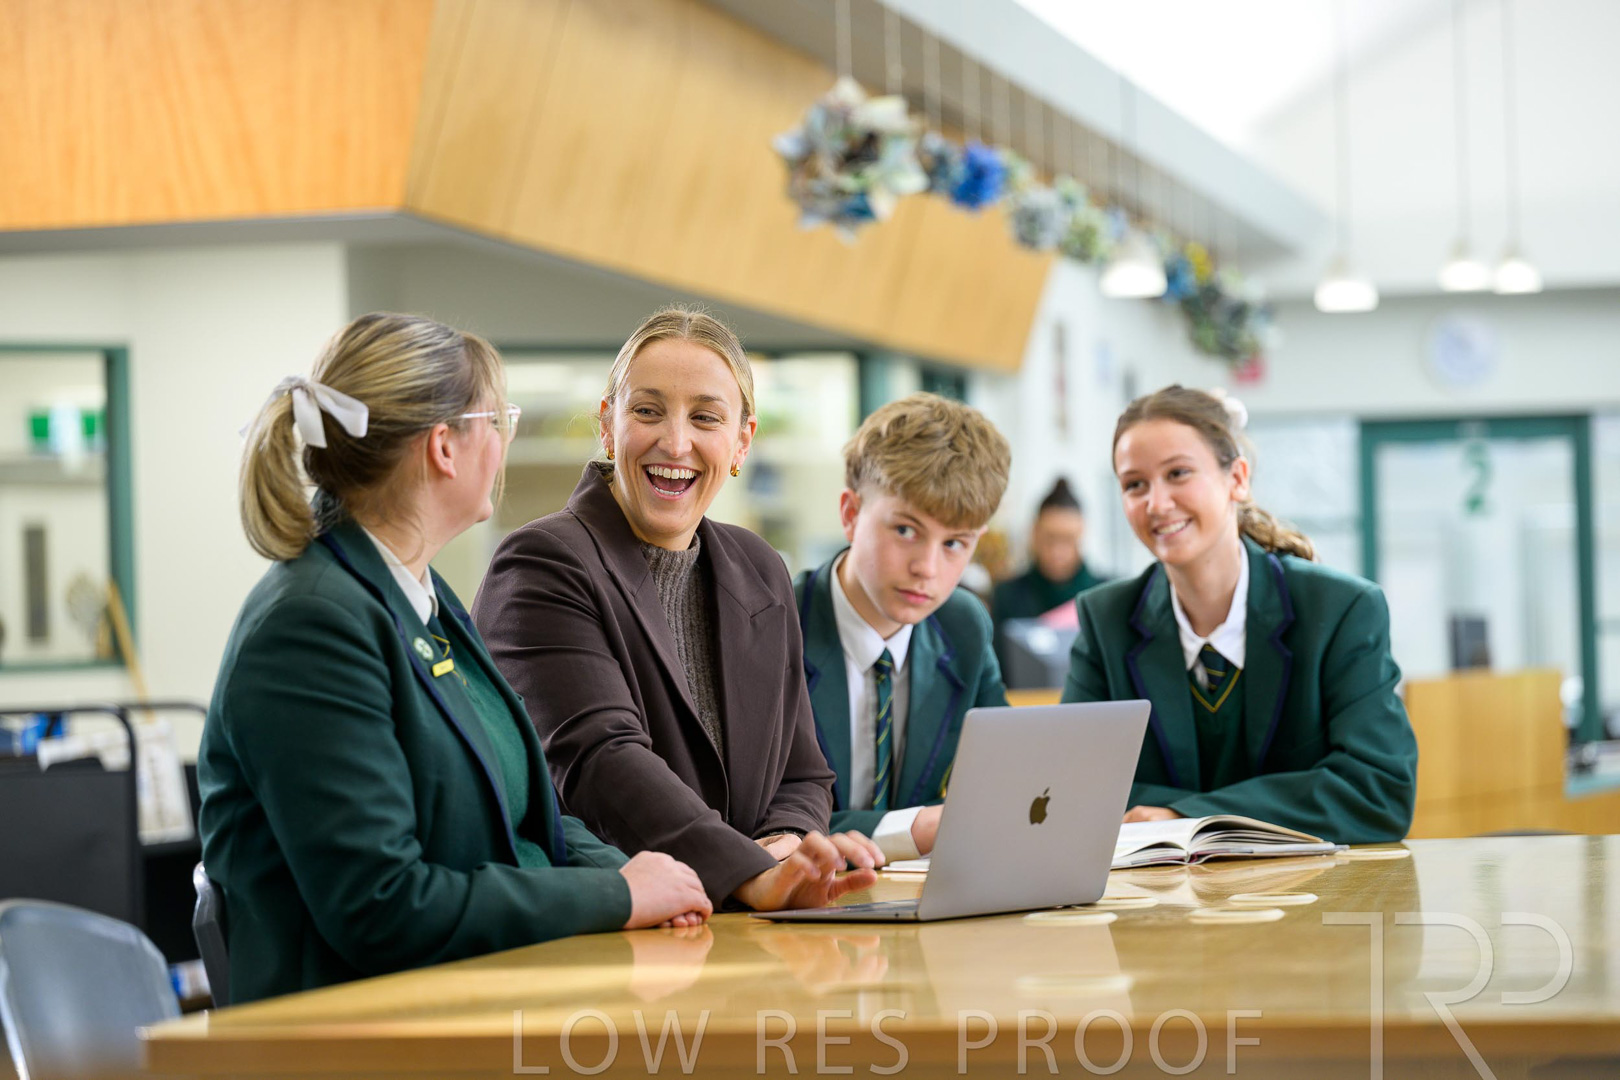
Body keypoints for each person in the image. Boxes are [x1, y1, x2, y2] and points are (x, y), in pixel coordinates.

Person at [200, 313, 710, 1004]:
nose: (502, 444)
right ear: (445, 446)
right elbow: (383, 907)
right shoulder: (311, 624)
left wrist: (642, 881)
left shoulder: (417, 593)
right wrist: (617, 896)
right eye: (497, 422)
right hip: (355, 1030)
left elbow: (533, 821)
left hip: (473, 999)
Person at [473, 307, 881, 910]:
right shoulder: (542, 561)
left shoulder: (760, 567)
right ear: (607, 424)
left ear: (741, 441)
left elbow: (802, 772)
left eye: (705, 417)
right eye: (647, 411)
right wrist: (749, 871)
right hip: (617, 927)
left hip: (746, 924)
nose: (675, 442)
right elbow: (601, 763)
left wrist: (785, 844)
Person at [1061, 385, 1417, 844]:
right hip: (1162, 889)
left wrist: (1186, 815)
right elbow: (1073, 790)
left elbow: (1378, 791)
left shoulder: (1340, 610)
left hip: (1312, 887)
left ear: (1238, 479)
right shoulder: (1105, 620)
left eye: (1178, 473)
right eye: (1135, 485)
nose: (1157, 503)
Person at [792, 393, 1010, 861]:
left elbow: (1005, 783)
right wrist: (908, 830)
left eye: (954, 543)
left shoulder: (964, 626)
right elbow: (751, 817)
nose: (927, 569)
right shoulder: (774, 625)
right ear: (851, 515)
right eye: (906, 531)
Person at [991, 477, 1107, 630]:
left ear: (1081, 535)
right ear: (1034, 533)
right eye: (1049, 538)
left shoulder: (1104, 595)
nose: (1057, 551)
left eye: (1067, 539)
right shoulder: (1008, 595)